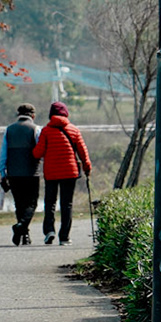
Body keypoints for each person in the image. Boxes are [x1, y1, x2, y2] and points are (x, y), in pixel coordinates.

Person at [32, 99, 92, 246]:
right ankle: (64, 237)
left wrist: (33, 151)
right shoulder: (74, 130)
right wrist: (87, 167)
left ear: (51, 115)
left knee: (50, 202)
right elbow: (83, 152)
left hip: (51, 172)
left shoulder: (46, 131)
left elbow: (37, 153)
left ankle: (49, 231)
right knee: (67, 204)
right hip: (69, 172)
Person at [0, 103, 41, 246]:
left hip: (13, 173)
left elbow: (3, 153)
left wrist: (2, 172)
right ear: (33, 116)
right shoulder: (36, 129)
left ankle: (24, 234)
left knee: (19, 204)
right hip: (31, 172)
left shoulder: (9, 130)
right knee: (32, 203)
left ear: (18, 115)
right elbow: (40, 151)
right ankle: (21, 227)